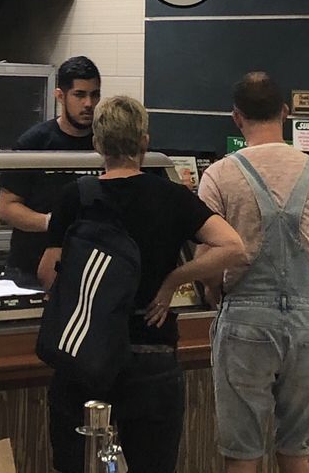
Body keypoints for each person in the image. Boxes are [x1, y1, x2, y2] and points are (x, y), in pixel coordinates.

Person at [38, 95, 246, 473]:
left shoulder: (75, 196)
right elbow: (233, 247)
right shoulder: (172, 196)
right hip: (152, 353)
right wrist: (173, 280)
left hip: (85, 353)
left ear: (97, 143)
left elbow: (47, 273)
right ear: (145, 142)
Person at [197, 72, 309, 473]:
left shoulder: (219, 175)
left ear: (236, 117)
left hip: (245, 322)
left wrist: (214, 289)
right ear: (285, 112)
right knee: (296, 452)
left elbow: (207, 258)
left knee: (243, 454)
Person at [0, 56, 102, 287]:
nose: (88, 103)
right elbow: (6, 208)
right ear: (60, 96)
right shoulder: (34, 142)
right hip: (30, 270)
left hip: (88, 271)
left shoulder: (104, 143)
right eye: (79, 95)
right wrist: (52, 222)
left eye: (94, 95)